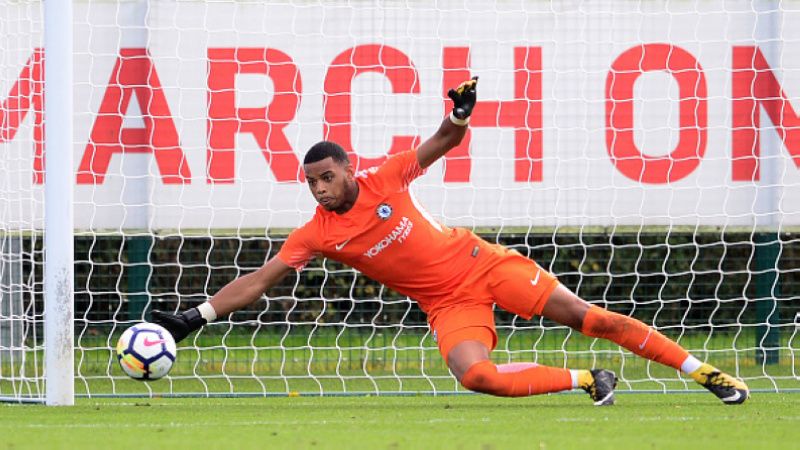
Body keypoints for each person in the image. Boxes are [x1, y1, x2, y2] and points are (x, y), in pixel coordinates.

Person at [153, 77, 749, 405]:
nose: (319, 189)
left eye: (326, 177)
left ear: (349, 168)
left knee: (591, 318)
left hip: (482, 264)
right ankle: (587, 379)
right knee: (478, 377)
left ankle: (705, 373)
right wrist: (193, 317)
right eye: (311, 183)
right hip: (447, 304)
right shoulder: (317, 234)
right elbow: (259, 281)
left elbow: (441, 142)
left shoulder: (387, 176)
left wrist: (460, 114)